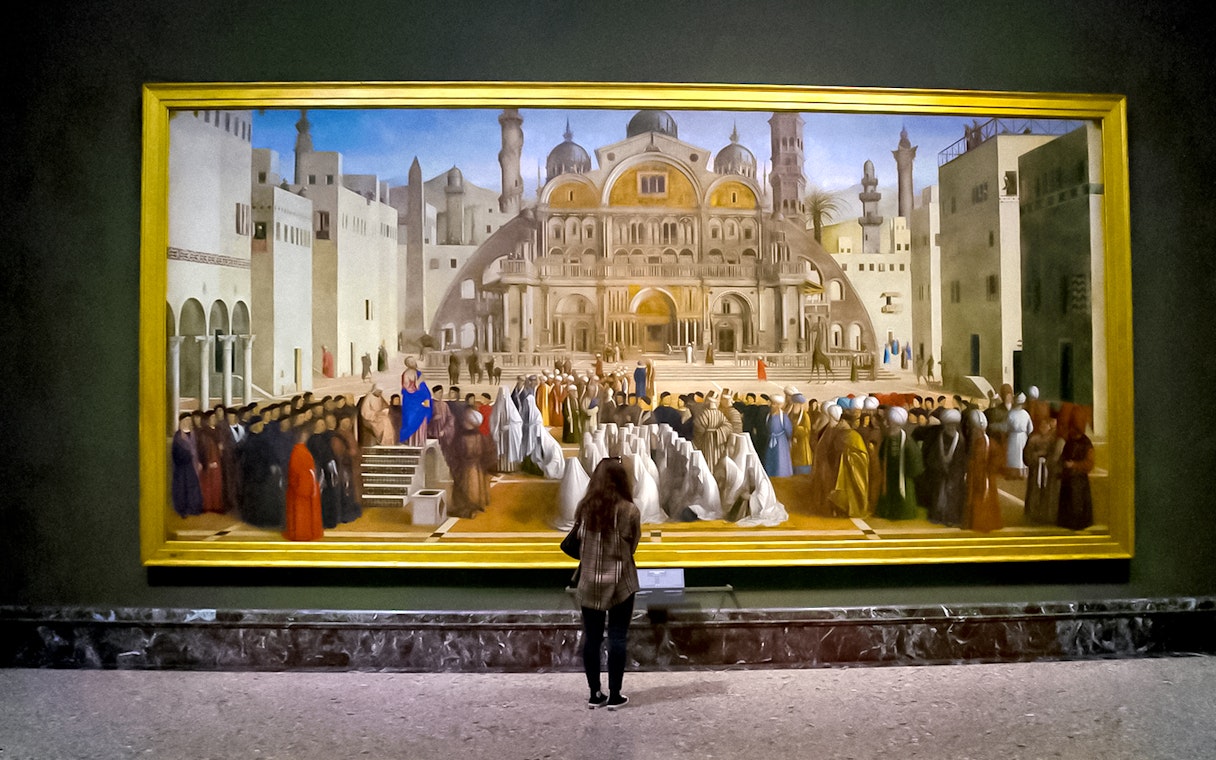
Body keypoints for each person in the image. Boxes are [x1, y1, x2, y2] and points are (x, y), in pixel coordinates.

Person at [573, 458, 641, 711]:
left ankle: (594, 694)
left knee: (591, 639)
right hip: (621, 581)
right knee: (617, 638)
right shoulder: (629, 511)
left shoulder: (584, 508)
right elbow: (633, 546)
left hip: (589, 581)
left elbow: (578, 543)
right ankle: (615, 695)